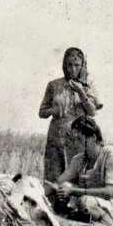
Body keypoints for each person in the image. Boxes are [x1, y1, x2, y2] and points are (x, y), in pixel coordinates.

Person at [44, 116, 113, 226]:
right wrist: (36, 195)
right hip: (102, 206)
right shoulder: (79, 160)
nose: (77, 144)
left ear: (93, 137)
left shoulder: (111, 155)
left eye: (80, 139)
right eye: (75, 140)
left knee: (86, 201)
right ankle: (84, 223)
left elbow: (108, 192)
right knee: (65, 188)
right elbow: (57, 182)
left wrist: (73, 190)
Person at [39, 47, 102, 183]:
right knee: (54, 177)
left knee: (77, 177)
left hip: (79, 137)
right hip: (57, 137)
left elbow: (92, 112)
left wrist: (81, 92)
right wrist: (53, 111)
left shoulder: (88, 85)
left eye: (76, 65)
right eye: (69, 65)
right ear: (64, 65)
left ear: (82, 66)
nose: (72, 69)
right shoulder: (54, 85)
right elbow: (41, 112)